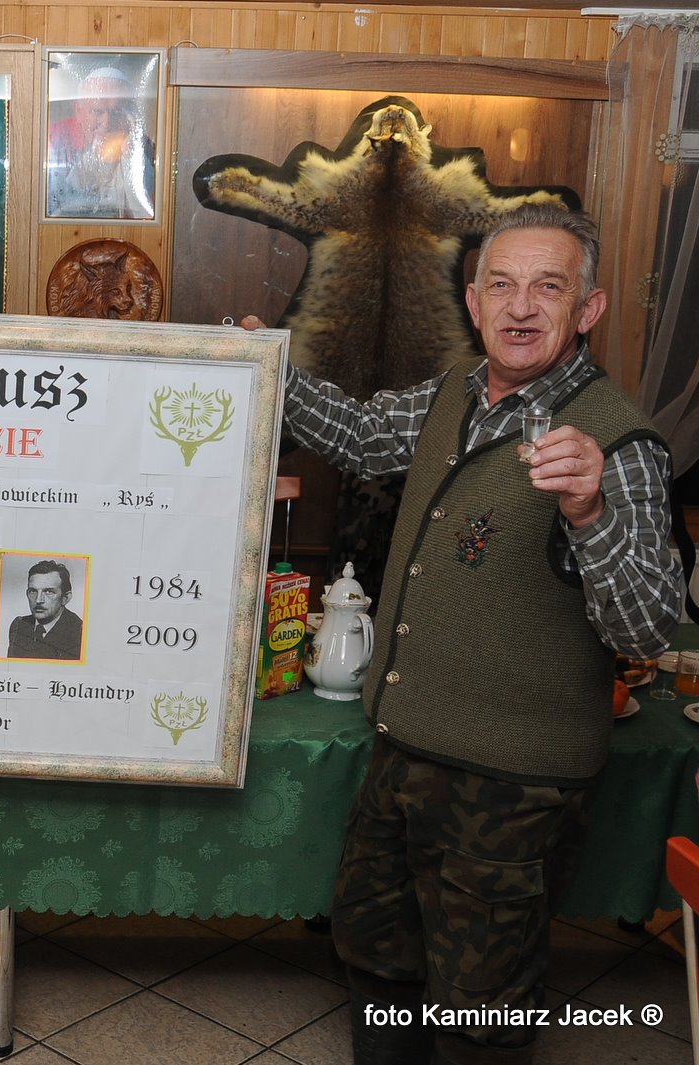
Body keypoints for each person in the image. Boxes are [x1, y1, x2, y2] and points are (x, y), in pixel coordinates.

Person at [263, 205, 684, 1065]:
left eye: (548, 287)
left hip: (512, 788)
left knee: (479, 1014)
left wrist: (591, 510)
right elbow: (360, 434)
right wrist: (260, 364)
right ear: (473, 299)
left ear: (589, 308)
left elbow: (646, 624)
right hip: (404, 752)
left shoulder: (619, 442)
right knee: (376, 956)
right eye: (501, 284)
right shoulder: (453, 391)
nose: (520, 307)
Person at [45, 67, 155, 220]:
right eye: (96, 112)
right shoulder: (57, 146)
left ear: (131, 117)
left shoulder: (149, 153)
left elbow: (146, 216)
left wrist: (131, 156)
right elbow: (57, 210)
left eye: (117, 112)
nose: (107, 124)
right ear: (78, 111)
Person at [6, 559, 84, 660]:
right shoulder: (19, 625)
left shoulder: (80, 633)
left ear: (65, 598)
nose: (38, 600)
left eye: (49, 592)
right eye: (33, 591)